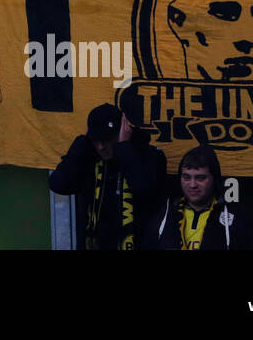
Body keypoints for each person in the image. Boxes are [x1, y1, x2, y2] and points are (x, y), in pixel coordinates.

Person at [48, 102, 166, 250]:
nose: (101, 146)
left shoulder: (150, 155)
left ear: (123, 131)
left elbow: (145, 189)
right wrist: (81, 144)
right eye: (96, 140)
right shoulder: (88, 157)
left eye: (107, 139)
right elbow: (58, 184)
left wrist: (124, 149)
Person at [142, 145, 253, 250]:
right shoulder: (163, 217)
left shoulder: (237, 220)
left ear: (214, 179)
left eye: (200, 178)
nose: (192, 185)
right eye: (186, 177)